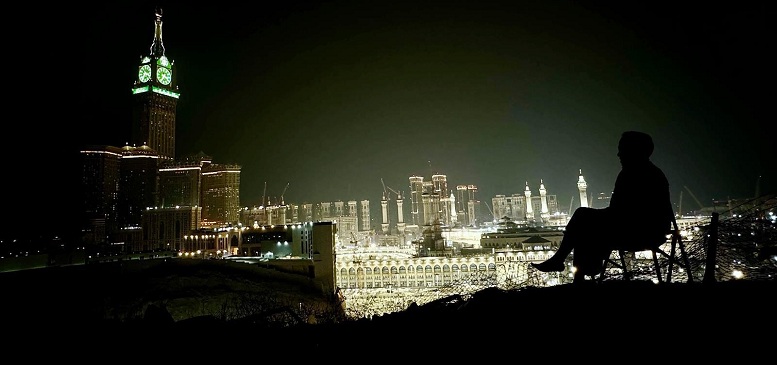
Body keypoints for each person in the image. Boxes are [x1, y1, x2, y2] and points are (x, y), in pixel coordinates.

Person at [531, 131, 674, 283]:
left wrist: (595, 217)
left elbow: (620, 212)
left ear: (634, 151)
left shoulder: (632, 174)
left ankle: (573, 271)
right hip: (649, 230)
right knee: (584, 222)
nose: (619, 154)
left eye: (622, 149)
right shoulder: (652, 173)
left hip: (640, 232)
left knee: (582, 218)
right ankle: (576, 270)